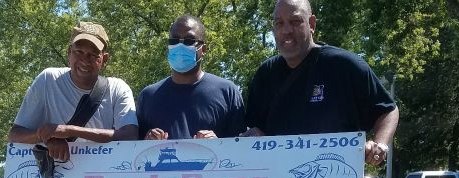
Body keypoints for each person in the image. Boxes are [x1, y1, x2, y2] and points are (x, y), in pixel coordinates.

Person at [242, 0, 399, 166]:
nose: (286, 30)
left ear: (311, 24)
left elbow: (388, 110)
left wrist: (380, 145)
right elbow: (252, 129)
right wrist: (252, 135)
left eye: (295, 21)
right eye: (279, 23)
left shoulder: (344, 66)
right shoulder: (265, 74)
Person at [8, 22, 138, 162]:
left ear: (104, 59)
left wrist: (68, 131)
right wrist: (48, 138)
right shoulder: (47, 80)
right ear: (69, 52)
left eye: (93, 55)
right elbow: (15, 134)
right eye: (79, 52)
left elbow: (130, 135)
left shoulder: (118, 88)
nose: (85, 60)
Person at [136, 15, 246, 140]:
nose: (180, 46)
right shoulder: (148, 96)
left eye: (189, 40)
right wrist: (146, 140)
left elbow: (240, 147)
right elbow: (133, 149)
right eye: (174, 40)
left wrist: (218, 144)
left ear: (203, 49)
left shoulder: (227, 92)